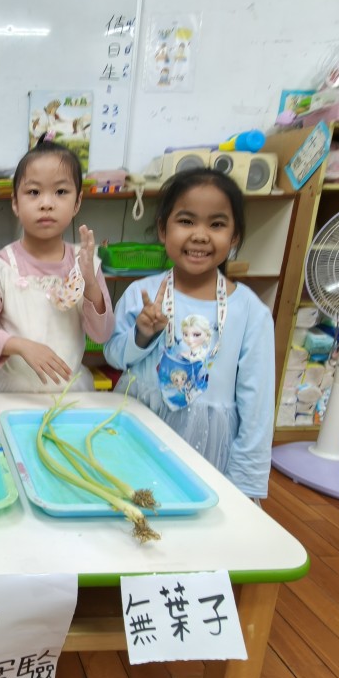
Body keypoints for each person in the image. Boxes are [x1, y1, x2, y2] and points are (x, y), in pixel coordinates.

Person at [103, 168, 274, 500]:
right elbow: (113, 355)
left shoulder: (250, 312)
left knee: (194, 510)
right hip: (138, 428)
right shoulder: (142, 293)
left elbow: (258, 406)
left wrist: (245, 485)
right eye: (186, 221)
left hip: (207, 444)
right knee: (133, 505)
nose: (200, 235)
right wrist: (142, 335)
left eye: (217, 224)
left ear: (235, 237)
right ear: (162, 230)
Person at [0, 140, 113, 392]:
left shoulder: (86, 263)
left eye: (61, 192)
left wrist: (90, 284)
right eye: (34, 192)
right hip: (13, 392)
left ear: (77, 202)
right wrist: (21, 346)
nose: (47, 203)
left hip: (69, 391)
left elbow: (102, 335)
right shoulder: (1, 267)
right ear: (15, 203)